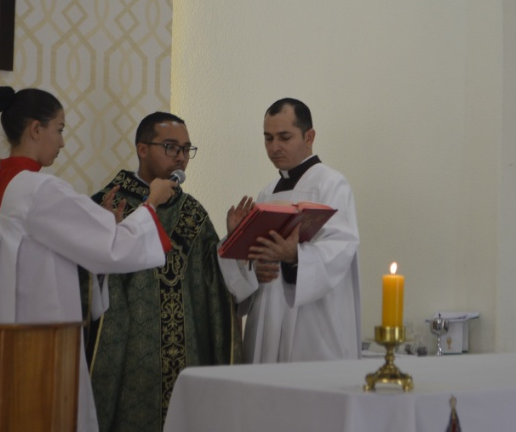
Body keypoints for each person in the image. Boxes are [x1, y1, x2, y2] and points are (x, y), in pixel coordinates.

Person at [0, 86, 177, 432]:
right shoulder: (40, 189)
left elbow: (41, 255)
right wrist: (151, 204)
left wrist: (99, 223)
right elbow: (112, 248)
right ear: (35, 129)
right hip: (39, 349)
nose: (61, 142)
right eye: (59, 129)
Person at [80, 112, 241, 432]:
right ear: (142, 149)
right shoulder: (107, 204)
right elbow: (83, 279)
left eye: (186, 149)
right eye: (171, 147)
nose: (181, 157)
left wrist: (233, 246)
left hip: (186, 359)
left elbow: (214, 286)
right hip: (128, 362)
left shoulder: (193, 212)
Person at [218, 98, 362, 363]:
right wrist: (245, 252)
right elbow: (254, 262)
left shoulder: (331, 184)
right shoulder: (267, 191)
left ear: (309, 137)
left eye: (284, 137)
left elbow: (341, 248)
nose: (274, 148)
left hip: (312, 324)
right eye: (268, 138)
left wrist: (295, 256)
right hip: (266, 320)